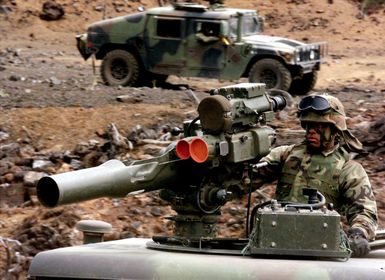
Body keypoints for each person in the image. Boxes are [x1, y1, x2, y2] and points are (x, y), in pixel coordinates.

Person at [255, 93, 378, 257]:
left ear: (335, 129)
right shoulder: (287, 155)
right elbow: (251, 175)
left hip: (318, 248)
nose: (311, 132)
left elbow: (365, 211)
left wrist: (359, 233)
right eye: (308, 126)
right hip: (275, 241)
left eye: (319, 127)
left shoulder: (348, 169)